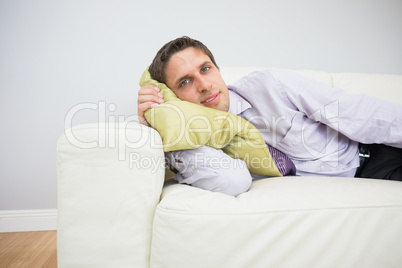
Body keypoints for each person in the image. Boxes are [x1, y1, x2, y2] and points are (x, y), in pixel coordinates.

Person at [138, 36, 402, 196]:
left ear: (218, 69)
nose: (204, 85)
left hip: (377, 155)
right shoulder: (201, 144)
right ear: (172, 96)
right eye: (184, 82)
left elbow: (357, 113)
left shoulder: (270, 86)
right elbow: (231, 181)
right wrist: (162, 119)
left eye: (205, 69)